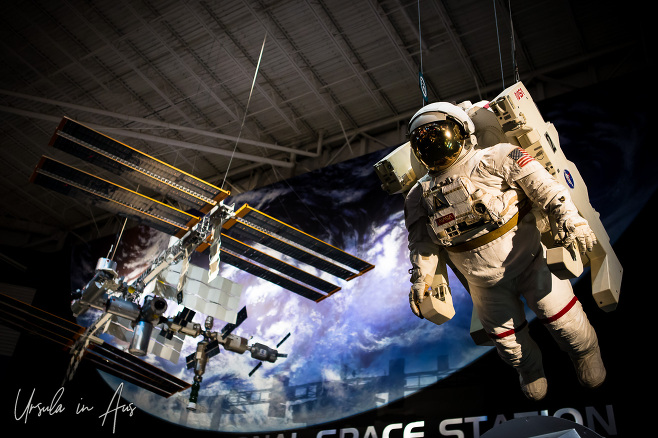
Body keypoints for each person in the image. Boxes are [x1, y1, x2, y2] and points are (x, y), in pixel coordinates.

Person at [404, 101, 605, 401]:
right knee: (510, 346)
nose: (432, 145)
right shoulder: (417, 195)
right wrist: (422, 279)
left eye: (438, 135)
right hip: (483, 284)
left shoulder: (496, 156)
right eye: (424, 141)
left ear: (462, 131)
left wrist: (569, 218)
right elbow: (422, 242)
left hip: (529, 262)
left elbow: (544, 187)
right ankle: (530, 370)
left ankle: (586, 352)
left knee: (564, 323)